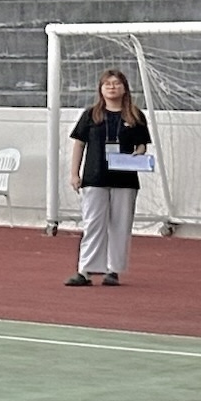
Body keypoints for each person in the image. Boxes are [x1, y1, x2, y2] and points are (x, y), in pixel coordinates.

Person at [68, 68, 149, 288]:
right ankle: (85, 270)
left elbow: (142, 145)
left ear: (125, 88)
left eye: (116, 83)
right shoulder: (91, 115)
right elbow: (79, 144)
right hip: (95, 177)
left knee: (120, 225)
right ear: (101, 89)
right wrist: (75, 173)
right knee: (93, 223)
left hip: (125, 179)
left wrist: (138, 154)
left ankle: (113, 270)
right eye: (107, 84)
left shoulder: (135, 115)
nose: (112, 87)